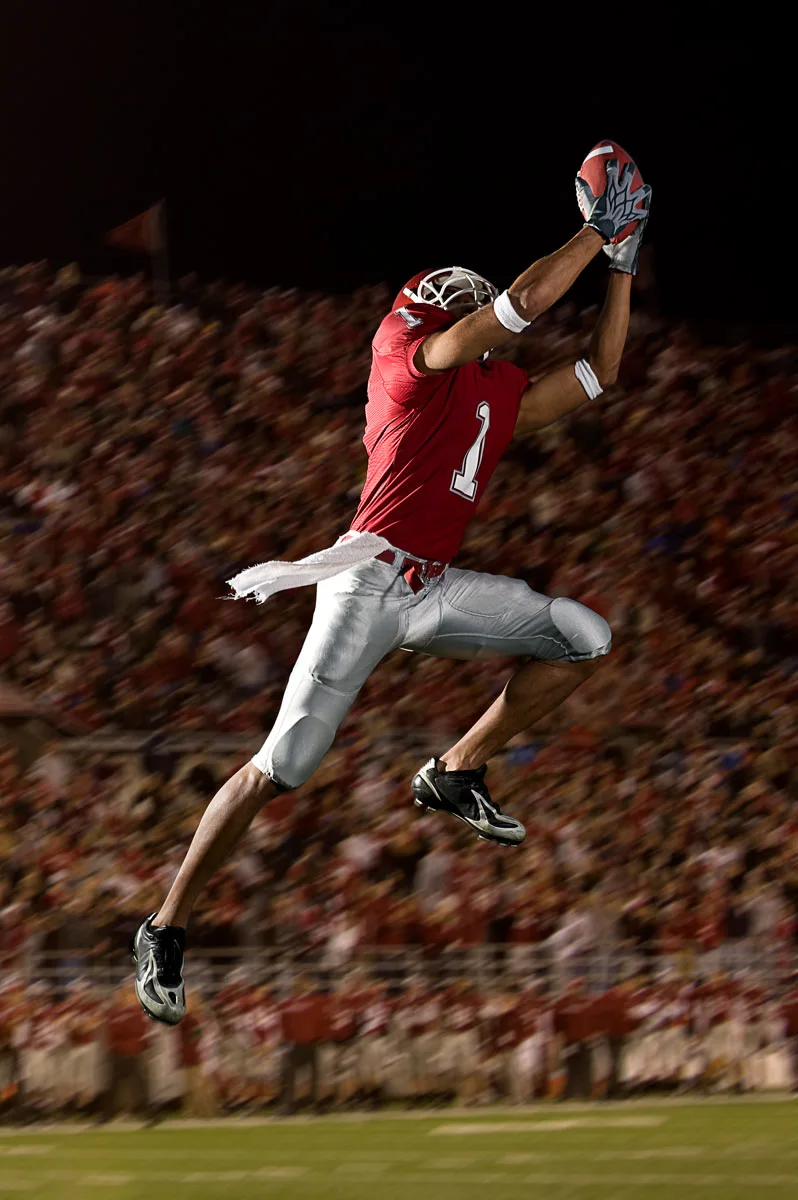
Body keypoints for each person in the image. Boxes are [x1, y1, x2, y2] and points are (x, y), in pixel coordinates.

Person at [132, 156, 652, 1025]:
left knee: (585, 637)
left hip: (434, 585)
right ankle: (165, 924)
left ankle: (455, 770)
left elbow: (600, 371)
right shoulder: (418, 362)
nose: (474, 317)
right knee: (281, 768)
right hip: (367, 581)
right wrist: (598, 232)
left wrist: (624, 266)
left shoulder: (488, 389)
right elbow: (524, 304)